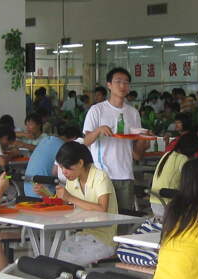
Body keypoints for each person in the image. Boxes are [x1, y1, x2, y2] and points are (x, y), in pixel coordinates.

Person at [82, 67, 147, 214]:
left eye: (126, 82)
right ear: (109, 85)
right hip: (102, 176)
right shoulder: (97, 110)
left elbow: (137, 155)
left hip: (126, 175)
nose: (122, 86)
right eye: (118, 81)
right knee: (100, 220)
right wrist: (98, 130)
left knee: (123, 221)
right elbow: (85, 142)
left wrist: (144, 139)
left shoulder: (133, 113)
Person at [53, 141, 117, 266]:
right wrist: (46, 194)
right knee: (51, 257)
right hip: (84, 235)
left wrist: (70, 197)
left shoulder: (100, 177)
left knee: (60, 263)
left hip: (104, 240)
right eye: (61, 168)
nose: (64, 172)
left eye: (67, 167)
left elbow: (102, 209)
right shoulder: (72, 179)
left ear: (81, 163)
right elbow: (67, 205)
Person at [149, 132, 198, 217]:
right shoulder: (183, 159)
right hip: (167, 206)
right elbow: (190, 183)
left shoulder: (167, 155)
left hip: (155, 203)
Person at [24, 122, 78, 198]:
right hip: (41, 192)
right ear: (74, 139)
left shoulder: (45, 140)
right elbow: (55, 172)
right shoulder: (64, 148)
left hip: (27, 190)